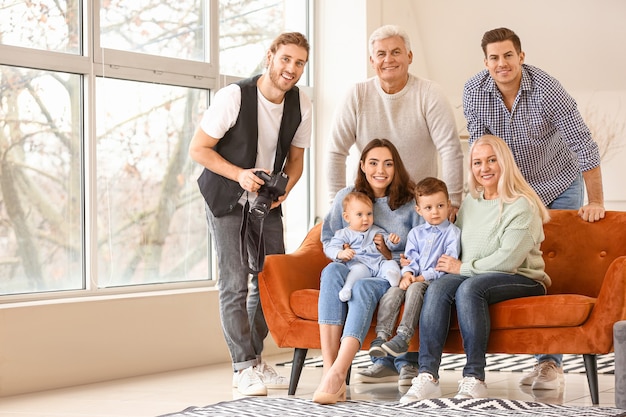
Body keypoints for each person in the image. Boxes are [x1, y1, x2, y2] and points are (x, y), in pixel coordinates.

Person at [462, 27, 606, 391]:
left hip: (558, 184)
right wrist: (479, 198)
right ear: (485, 62)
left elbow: (583, 146)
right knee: (515, 259)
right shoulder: (474, 91)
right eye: (494, 57)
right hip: (511, 188)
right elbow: (481, 148)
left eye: (508, 55)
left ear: (521, 56)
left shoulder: (548, 90)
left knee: (549, 263)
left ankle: (549, 363)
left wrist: (597, 201)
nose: (501, 63)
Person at [326, 23, 464, 386]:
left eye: (396, 52)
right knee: (386, 274)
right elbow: (336, 150)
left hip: (419, 206)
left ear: (409, 57)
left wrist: (452, 203)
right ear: (372, 60)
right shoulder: (356, 95)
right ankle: (384, 357)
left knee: (415, 273)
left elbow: (450, 147)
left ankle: (410, 360)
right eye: (381, 54)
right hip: (374, 202)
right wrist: (337, 204)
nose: (389, 59)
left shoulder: (428, 93)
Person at [188, 32, 312, 397]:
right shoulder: (234, 97)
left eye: (299, 63)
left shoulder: (302, 103)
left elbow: (297, 159)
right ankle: (242, 366)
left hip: (266, 200)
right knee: (234, 281)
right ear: (270, 57)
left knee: (270, 277)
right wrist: (239, 175)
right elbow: (199, 149)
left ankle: (255, 359)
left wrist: (284, 191)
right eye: (286, 59)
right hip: (225, 195)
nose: (291, 69)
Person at [400, 134, 552, 403]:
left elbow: (507, 261)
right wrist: (413, 263)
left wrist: (462, 268)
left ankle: (474, 377)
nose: (485, 168)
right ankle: (427, 376)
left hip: (521, 278)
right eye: (478, 162)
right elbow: (451, 245)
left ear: (504, 162)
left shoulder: (522, 205)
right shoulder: (471, 201)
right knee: (438, 287)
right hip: (476, 274)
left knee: (469, 289)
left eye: (492, 160)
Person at [313, 139, 421, 404]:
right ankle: (331, 370)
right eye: (373, 163)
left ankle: (338, 373)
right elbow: (329, 238)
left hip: (387, 269)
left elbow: (423, 241)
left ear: (396, 168)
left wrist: (408, 263)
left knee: (361, 287)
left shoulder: (410, 201)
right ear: (362, 166)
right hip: (352, 263)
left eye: (388, 163)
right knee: (330, 272)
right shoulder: (346, 197)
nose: (380, 170)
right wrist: (341, 252)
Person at [368, 177, 461, 358]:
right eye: (428, 208)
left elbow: (446, 264)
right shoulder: (415, 234)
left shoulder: (452, 233)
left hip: (435, 281)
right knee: (393, 291)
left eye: (440, 206)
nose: (435, 212)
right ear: (418, 210)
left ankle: (403, 336)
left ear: (448, 205)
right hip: (413, 277)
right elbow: (410, 259)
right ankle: (381, 336)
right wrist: (408, 274)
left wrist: (419, 278)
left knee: (416, 288)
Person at [323, 191, 402, 302]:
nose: (365, 219)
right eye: (359, 214)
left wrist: (392, 241)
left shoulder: (376, 230)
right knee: (358, 271)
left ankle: (393, 278)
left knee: (391, 264)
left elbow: (387, 241)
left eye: (369, 214)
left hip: (379, 264)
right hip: (360, 263)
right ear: (347, 217)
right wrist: (340, 253)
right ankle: (347, 288)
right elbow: (331, 247)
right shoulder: (344, 234)